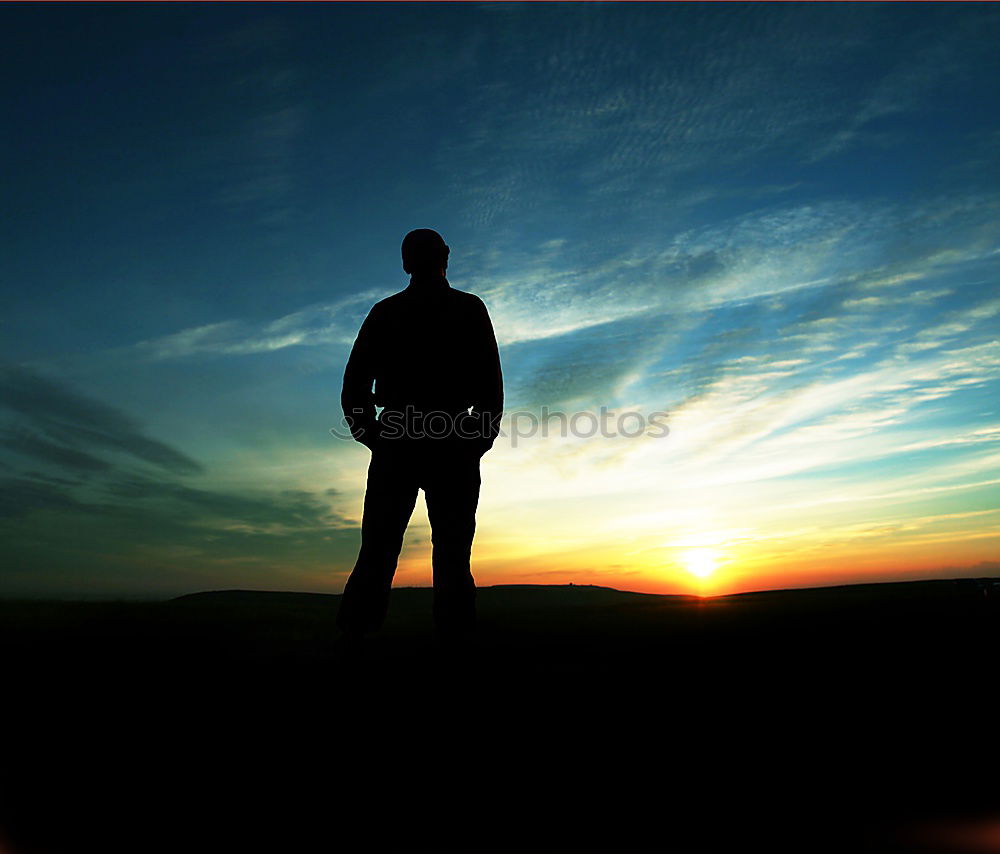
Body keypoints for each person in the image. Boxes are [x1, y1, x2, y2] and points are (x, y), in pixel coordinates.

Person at [335, 229, 503, 642]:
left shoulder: (396, 312)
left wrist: (376, 435)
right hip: (425, 444)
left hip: (422, 443)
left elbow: (489, 388)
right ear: (444, 256)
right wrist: (375, 436)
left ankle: (358, 646)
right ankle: (438, 647)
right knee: (416, 556)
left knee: (411, 555)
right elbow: (355, 385)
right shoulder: (448, 309)